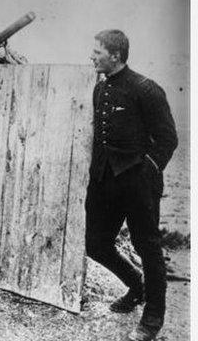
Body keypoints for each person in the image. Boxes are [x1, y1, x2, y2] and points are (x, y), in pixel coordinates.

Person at [86, 29, 177, 341]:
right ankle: (136, 286)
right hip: (103, 183)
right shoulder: (100, 90)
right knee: (95, 244)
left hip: (137, 184)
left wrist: (146, 173)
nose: (92, 56)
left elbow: (168, 139)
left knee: (148, 248)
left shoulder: (146, 89)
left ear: (116, 55)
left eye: (98, 52)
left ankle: (152, 317)